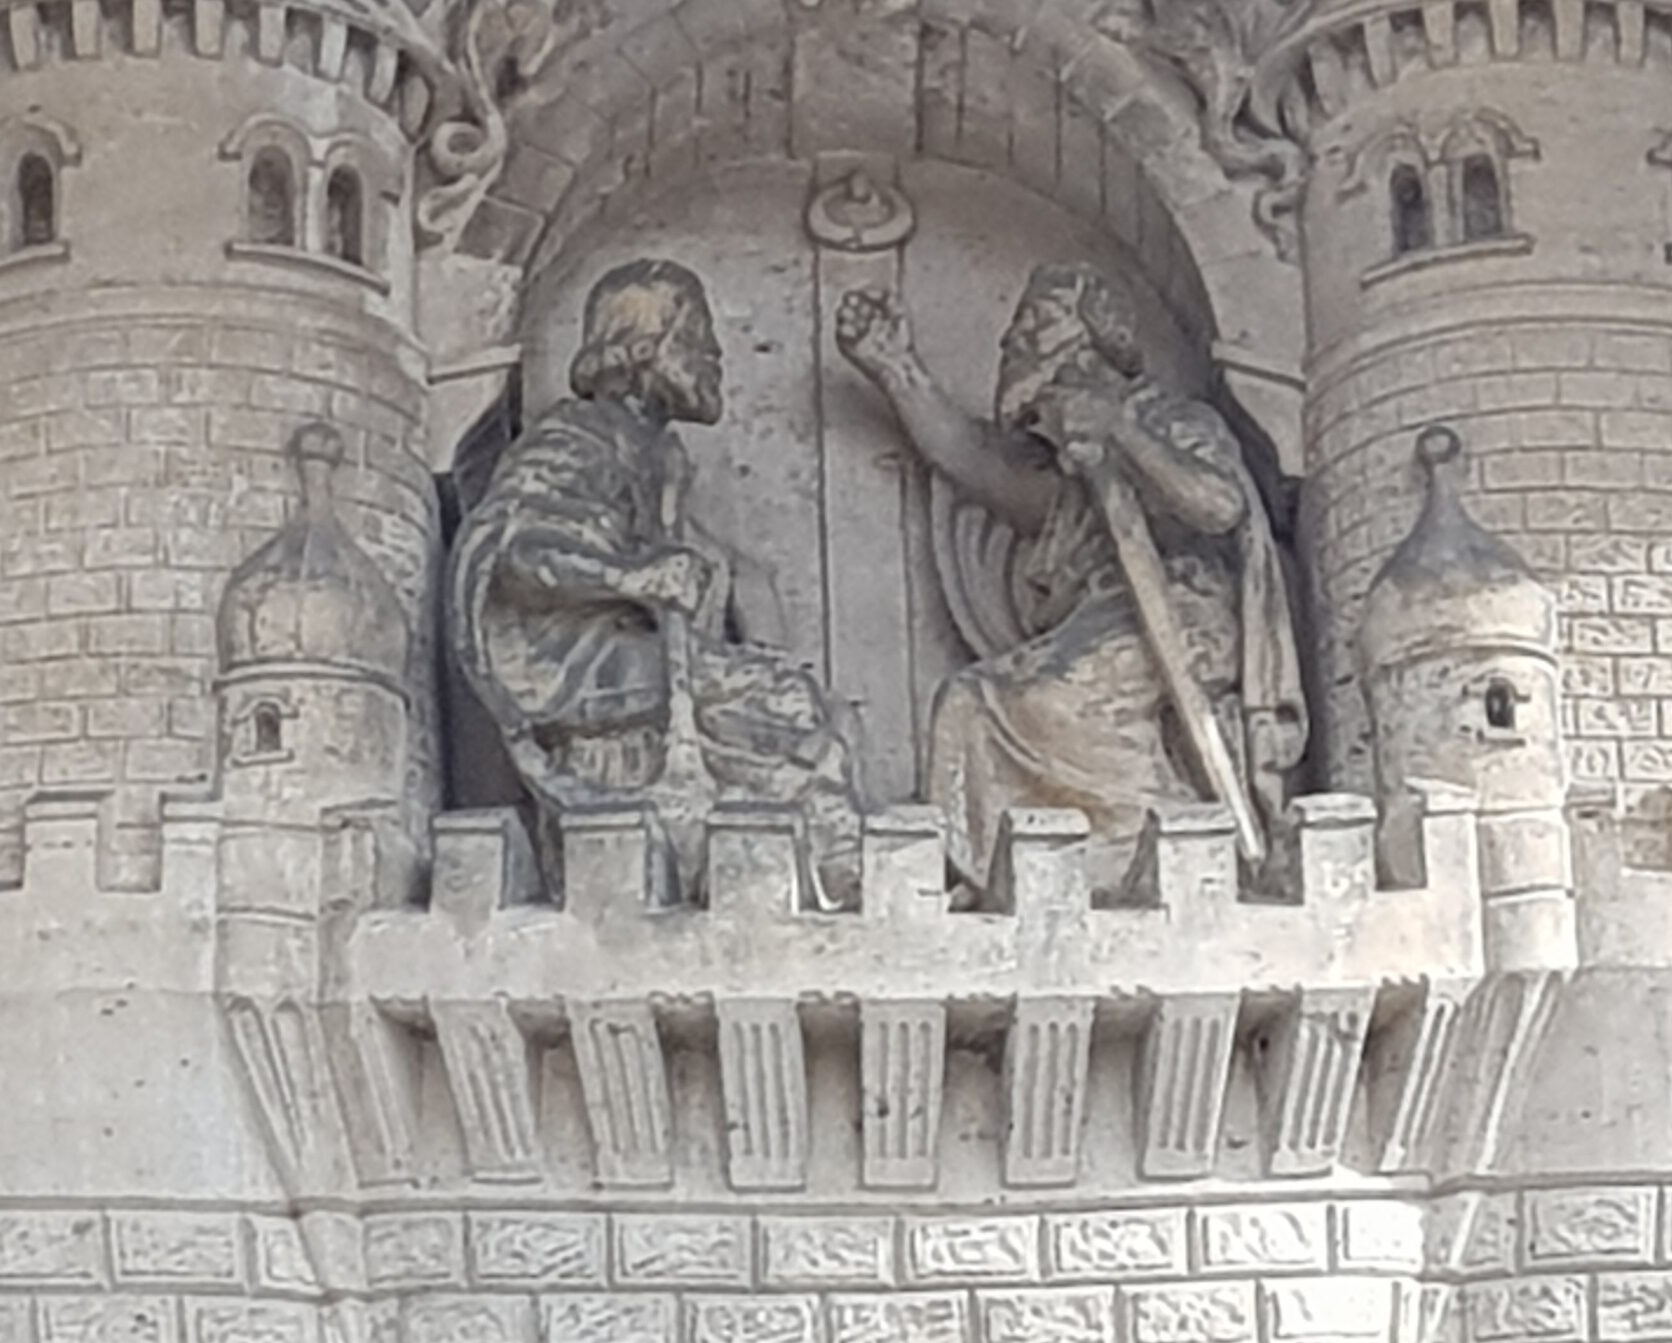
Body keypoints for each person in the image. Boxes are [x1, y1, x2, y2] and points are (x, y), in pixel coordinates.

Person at [836, 263, 1304, 895]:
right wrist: (895, 367)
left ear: (1093, 339)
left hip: (1183, 614)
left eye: (1036, 322)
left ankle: (1148, 836)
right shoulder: (1072, 474)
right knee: (969, 702)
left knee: (1041, 700)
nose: (1014, 341)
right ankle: (1010, 869)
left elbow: (1220, 506)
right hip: (1107, 618)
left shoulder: (1173, 420)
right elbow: (972, 461)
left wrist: (1122, 432)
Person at [449, 258, 861, 898]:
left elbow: (701, 563)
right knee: (785, 700)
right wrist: (632, 576)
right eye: (698, 339)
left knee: (820, 710)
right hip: (575, 667)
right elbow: (518, 549)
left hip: (625, 657)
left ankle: (816, 858)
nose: (715, 356)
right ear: (643, 349)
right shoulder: (577, 437)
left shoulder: (655, 452)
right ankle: (840, 871)